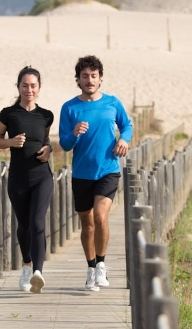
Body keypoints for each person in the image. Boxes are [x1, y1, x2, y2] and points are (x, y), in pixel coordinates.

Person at [59, 55, 133, 291]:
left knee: (101, 217)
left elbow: (127, 125)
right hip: (81, 174)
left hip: (108, 170)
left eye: (93, 76)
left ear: (100, 79)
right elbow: (65, 144)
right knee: (87, 224)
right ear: (78, 80)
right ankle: (91, 268)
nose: (89, 80)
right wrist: (74, 133)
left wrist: (124, 139)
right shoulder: (69, 108)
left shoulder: (112, 103)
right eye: (85, 76)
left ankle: (101, 265)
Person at [0, 66, 54, 293]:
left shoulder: (46, 115)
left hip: (42, 177)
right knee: (24, 225)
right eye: (25, 85)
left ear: (39, 88)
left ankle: (38, 272)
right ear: (18, 87)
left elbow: (45, 139)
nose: (29, 89)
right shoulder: (8, 114)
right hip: (18, 178)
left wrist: (48, 149)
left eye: (33, 86)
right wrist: (10, 143)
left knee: (38, 223)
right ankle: (27, 266)